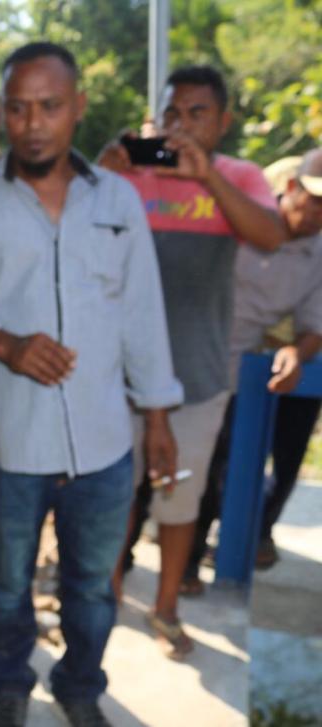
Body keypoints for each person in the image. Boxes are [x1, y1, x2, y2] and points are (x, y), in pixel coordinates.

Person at [0, 42, 181, 727]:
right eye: (17, 107)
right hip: (10, 437)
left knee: (93, 588)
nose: (33, 122)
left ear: (80, 108)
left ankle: (79, 686)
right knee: (7, 583)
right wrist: (4, 342)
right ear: (3, 112)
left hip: (104, 438)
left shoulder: (118, 198)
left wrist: (158, 415)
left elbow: (142, 312)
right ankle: (9, 683)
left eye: (49, 106)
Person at [99, 65, 286, 659]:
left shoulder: (239, 177)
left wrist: (208, 179)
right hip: (118, 374)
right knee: (112, 495)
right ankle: (102, 597)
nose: (181, 125)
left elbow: (271, 235)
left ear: (223, 121)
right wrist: (101, 175)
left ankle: (166, 607)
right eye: (173, 113)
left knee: (180, 498)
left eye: (197, 114)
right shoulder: (131, 174)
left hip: (198, 376)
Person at [181, 150, 322, 586]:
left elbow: (314, 322)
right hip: (192, 354)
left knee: (254, 461)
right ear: (292, 188)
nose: (320, 212)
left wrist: (296, 353)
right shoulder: (245, 214)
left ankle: (244, 537)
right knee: (197, 466)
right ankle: (181, 559)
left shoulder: (318, 252)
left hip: (246, 369)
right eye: (316, 199)